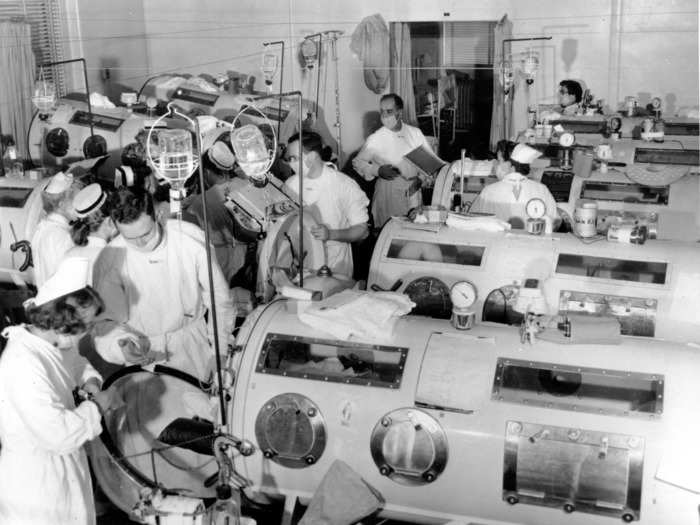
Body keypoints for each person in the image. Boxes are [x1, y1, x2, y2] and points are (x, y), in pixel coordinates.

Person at [0, 257, 117, 525]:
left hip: (63, 469)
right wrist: (99, 405)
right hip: (37, 487)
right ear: (61, 323)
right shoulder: (22, 363)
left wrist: (91, 382)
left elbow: (75, 362)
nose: (86, 334)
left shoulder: (48, 340)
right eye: (85, 328)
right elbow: (58, 435)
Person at [93, 185, 236, 382]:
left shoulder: (189, 239)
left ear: (159, 216)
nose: (141, 244)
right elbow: (103, 322)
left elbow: (219, 299)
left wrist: (220, 349)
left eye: (146, 234)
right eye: (131, 238)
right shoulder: (110, 259)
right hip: (144, 352)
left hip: (192, 345)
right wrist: (121, 345)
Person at [285, 131, 369, 278]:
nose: (290, 163)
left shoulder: (343, 184)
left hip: (334, 264)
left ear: (311, 157)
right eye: (288, 159)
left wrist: (330, 234)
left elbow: (362, 230)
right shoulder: (290, 185)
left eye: (293, 158)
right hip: (299, 263)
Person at [352, 93, 433, 229]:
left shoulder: (415, 134)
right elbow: (357, 162)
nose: (385, 116)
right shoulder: (376, 138)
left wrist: (421, 179)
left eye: (389, 111)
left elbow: (429, 165)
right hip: (388, 191)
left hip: (413, 189)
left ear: (400, 112)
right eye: (382, 112)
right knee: (390, 234)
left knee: (414, 232)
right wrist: (377, 170)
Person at [470, 142, 558, 230]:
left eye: (499, 160)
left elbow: (472, 221)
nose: (495, 164)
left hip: (498, 242)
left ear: (509, 165)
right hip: (534, 242)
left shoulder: (489, 191)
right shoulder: (542, 190)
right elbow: (555, 221)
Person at [31, 171, 81, 285]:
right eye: (76, 200)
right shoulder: (61, 235)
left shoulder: (44, 227)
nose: (80, 204)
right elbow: (70, 279)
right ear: (62, 204)